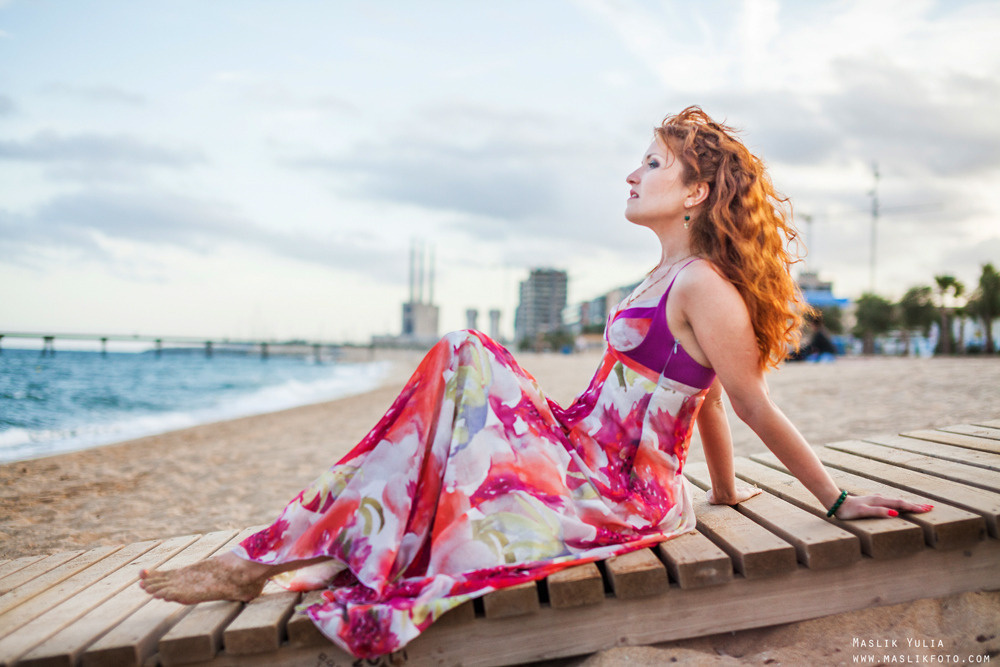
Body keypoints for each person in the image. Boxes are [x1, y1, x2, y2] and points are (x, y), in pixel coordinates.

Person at [140, 107, 931, 658]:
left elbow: (746, 398)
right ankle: (281, 552)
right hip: (579, 451)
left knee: (466, 350)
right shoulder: (665, 275)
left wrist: (832, 500)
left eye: (652, 163)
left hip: (617, 488)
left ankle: (271, 555)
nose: (632, 172)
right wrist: (723, 492)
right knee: (462, 364)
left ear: (694, 191)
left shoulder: (704, 287)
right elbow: (709, 401)